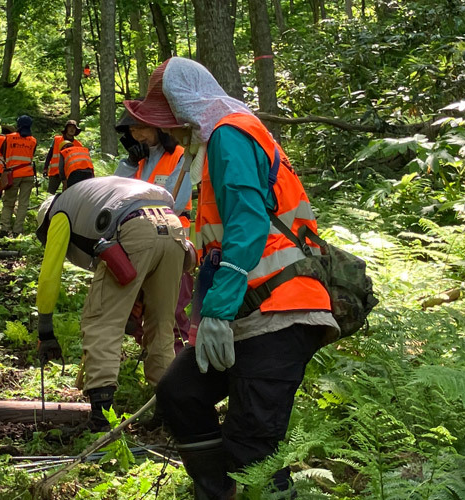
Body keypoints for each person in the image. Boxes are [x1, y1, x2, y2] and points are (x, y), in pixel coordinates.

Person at [125, 57, 338, 497]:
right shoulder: (220, 138)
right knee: (181, 392)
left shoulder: (229, 135)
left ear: (184, 110)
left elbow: (247, 224)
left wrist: (217, 313)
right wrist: (210, 316)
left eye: (167, 121)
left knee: (252, 449)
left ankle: (244, 488)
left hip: (281, 309)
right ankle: (218, 490)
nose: (169, 132)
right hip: (249, 310)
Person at [35, 177, 191, 431]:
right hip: (173, 228)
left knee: (102, 323)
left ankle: (101, 416)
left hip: (132, 227)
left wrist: (45, 329)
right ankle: (167, 414)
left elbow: (50, 273)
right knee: (162, 325)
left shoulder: (60, 213)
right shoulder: (88, 199)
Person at [114, 111, 194, 353]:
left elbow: (175, 202)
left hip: (173, 242)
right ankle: (154, 364)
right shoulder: (138, 160)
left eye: (142, 129)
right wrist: (128, 162)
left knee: (170, 313)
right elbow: (115, 194)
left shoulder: (180, 156)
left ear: (158, 127)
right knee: (138, 309)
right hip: (139, 242)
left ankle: (178, 369)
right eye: (132, 132)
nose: (137, 136)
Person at [0, 115, 37, 235]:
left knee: (8, 202)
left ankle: (5, 228)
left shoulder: (8, 138)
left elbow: (3, 152)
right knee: (23, 203)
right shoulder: (33, 140)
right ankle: (17, 230)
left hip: (13, 174)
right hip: (28, 174)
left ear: (18, 125)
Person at [44, 120, 83, 194]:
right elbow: (50, 154)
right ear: (66, 129)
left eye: (74, 128)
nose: (72, 129)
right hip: (55, 172)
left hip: (69, 174)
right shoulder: (57, 139)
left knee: (67, 195)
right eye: (70, 127)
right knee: (50, 193)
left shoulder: (78, 145)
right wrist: (45, 168)